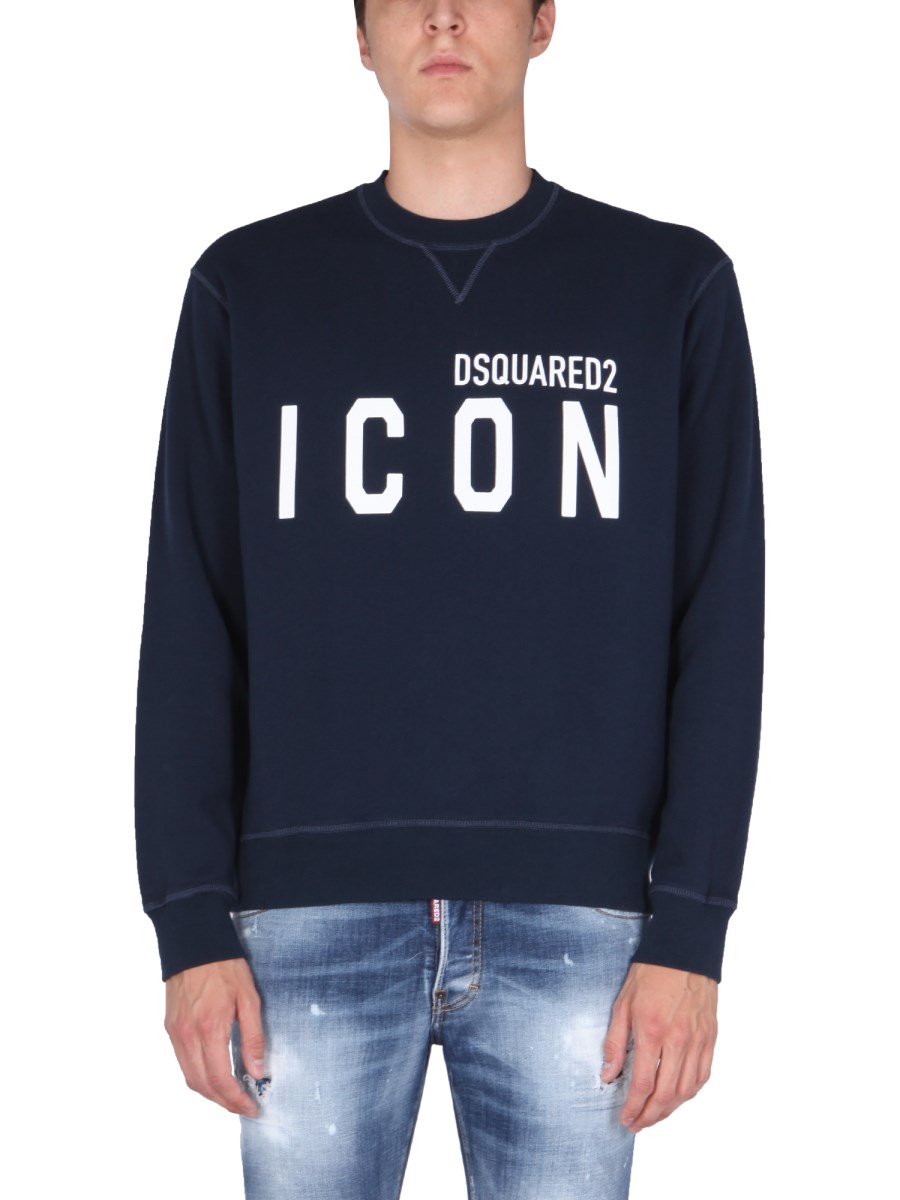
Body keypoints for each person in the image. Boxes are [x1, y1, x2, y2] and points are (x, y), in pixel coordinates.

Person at [133, 1, 765, 1196]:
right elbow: (191, 617)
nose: (442, 14)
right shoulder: (249, 287)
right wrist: (188, 919)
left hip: (582, 923)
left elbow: (721, 621)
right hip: (301, 921)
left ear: (542, 22)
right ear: (359, 33)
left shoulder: (667, 287)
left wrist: (692, 927)